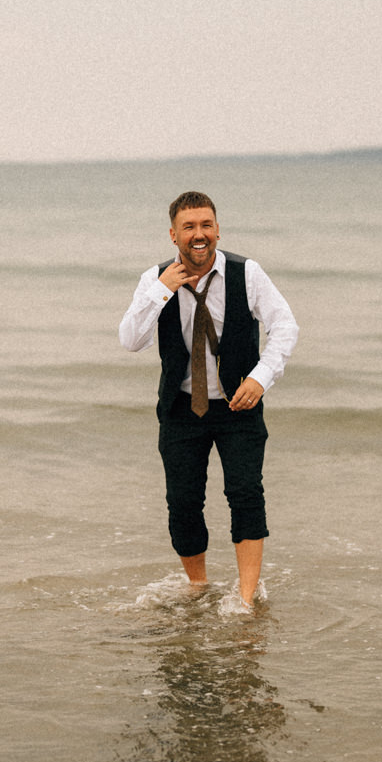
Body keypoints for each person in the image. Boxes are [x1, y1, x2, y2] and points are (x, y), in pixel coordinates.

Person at [118, 191, 299, 608]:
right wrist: (160, 292)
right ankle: (197, 586)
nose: (198, 235)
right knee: (182, 501)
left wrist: (260, 378)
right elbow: (130, 341)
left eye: (206, 226)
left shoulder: (247, 273)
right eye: (189, 227)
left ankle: (246, 597)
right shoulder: (154, 279)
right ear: (173, 234)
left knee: (246, 493)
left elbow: (285, 327)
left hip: (240, 406)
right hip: (182, 408)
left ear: (217, 230)